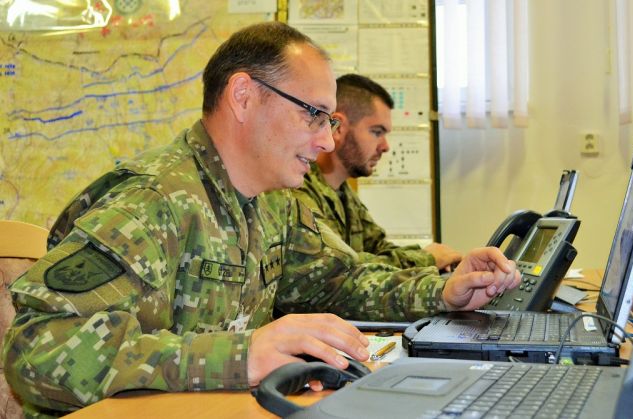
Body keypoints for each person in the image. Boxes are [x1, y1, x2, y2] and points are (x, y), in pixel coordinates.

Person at [2, 22, 520, 417]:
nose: (326, 141)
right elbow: (36, 351)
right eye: (313, 114)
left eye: (331, 121)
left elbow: (341, 280)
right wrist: (241, 354)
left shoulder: (274, 202)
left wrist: (443, 292)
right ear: (244, 96)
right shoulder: (151, 202)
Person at [293, 74, 462, 271]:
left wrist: (436, 259)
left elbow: (379, 248)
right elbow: (339, 269)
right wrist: (427, 259)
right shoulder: (298, 188)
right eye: (376, 132)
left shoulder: (344, 194)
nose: (385, 146)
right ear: (338, 128)